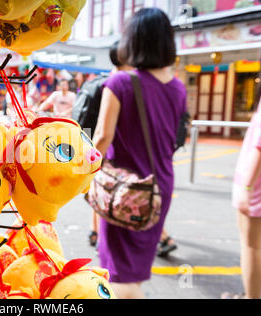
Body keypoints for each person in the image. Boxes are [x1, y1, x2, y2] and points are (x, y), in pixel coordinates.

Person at [92, 8, 187, 299]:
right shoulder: (178, 88)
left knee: (120, 276)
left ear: (132, 41)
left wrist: (81, 175)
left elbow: (101, 138)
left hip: (125, 189)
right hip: (159, 187)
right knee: (134, 270)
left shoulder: (120, 83)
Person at [89, 40, 134, 248]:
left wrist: (89, 166)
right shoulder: (121, 83)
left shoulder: (109, 79)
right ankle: (100, 238)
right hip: (116, 156)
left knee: (100, 192)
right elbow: (104, 135)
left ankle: (95, 233)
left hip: (103, 155)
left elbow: (101, 135)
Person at [229, 53, 261, 299]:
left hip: (256, 188)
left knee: (251, 247)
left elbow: (259, 146)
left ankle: (251, 296)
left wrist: (246, 188)